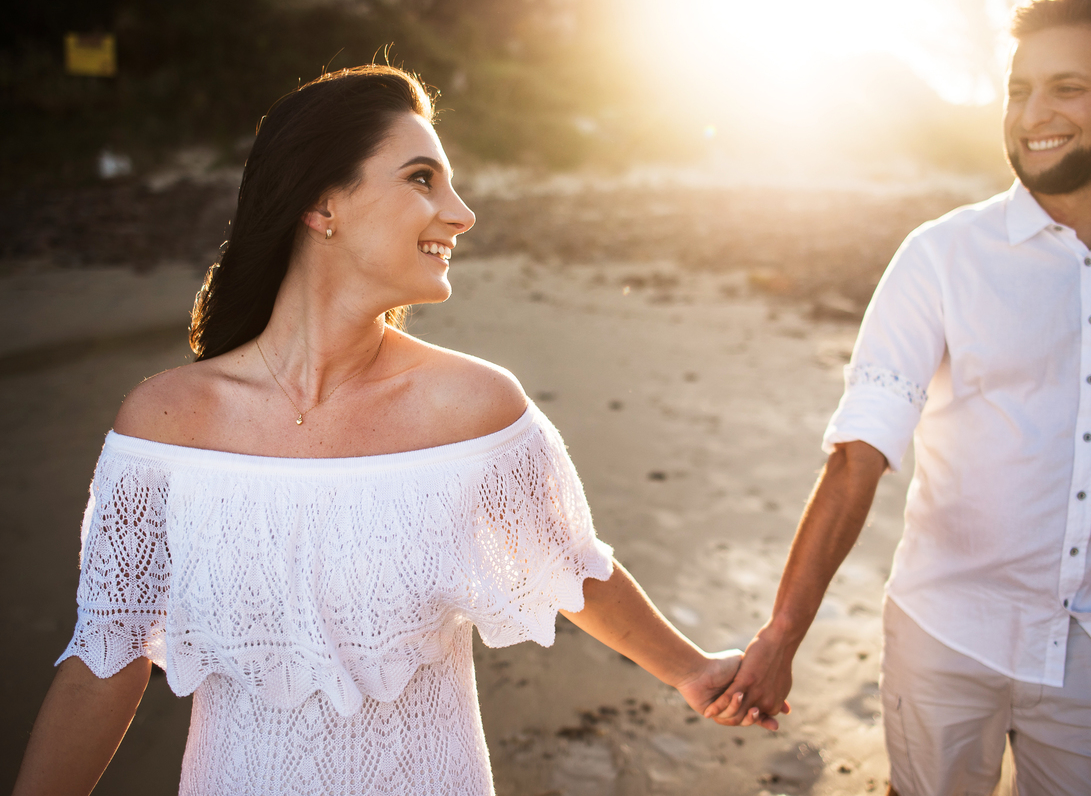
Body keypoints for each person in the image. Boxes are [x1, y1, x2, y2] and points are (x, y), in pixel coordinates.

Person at [12, 65, 770, 796]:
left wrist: (690, 668)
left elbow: (570, 565)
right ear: (321, 205)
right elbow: (105, 656)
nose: (462, 212)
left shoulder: (475, 409)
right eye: (421, 178)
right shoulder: (166, 425)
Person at [705, 0, 1091, 793]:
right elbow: (858, 453)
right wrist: (783, 632)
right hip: (946, 637)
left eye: (1066, 88)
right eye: (1018, 89)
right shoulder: (938, 258)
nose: (1033, 114)